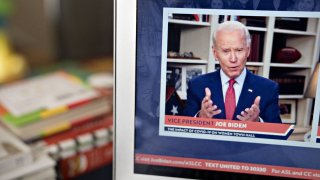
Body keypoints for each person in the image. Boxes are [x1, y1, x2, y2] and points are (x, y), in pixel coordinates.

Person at [183, 21, 282, 123]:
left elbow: (278, 135)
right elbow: (182, 132)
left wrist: (258, 123)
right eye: (226, 51)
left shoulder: (268, 88)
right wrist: (200, 118)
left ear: (248, 51)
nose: (233, 59)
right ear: (215, 53)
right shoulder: (197, 85)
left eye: (239, 50)